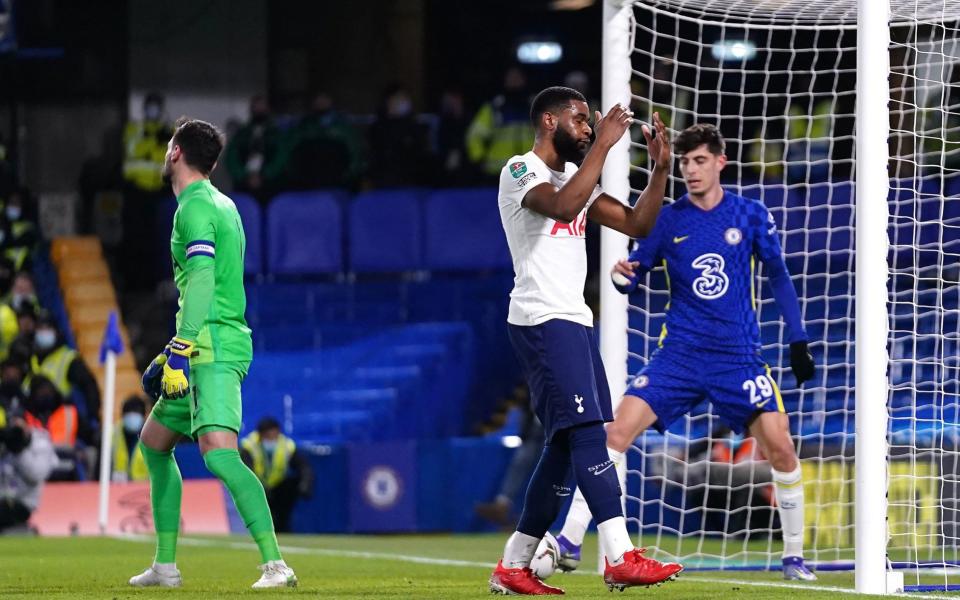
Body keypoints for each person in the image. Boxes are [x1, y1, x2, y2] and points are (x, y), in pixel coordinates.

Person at [551, 123, 817, 581]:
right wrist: (623, 275)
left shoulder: (749, 215)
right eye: (685, 162)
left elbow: (777, 276)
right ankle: (571, 539)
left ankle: (793, 557)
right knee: (615, 433)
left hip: (738, 358)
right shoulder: (669, 219)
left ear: (720, 162)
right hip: (679, 356)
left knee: (782, 448)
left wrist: (797, 339)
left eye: (699, 161)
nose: (691, 171)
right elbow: (634, 273)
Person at [490, 85, 681, 595]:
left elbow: (638, 222)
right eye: (579, 120)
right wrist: (604, 146)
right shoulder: (520, 170)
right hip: (541, 318)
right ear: (549, 122)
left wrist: (660, 169)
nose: (588, 129)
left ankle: (514, 565)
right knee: (592, 434)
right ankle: (620, 555)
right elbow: (558, 207)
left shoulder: (579, 178)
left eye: (590, 124)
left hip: (573, 320)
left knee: (560, 448)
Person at [132, 117, 296, 588]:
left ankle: (276, 565)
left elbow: (203, 281)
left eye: (168, 146)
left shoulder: (193, 209)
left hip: (212, 347)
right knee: (155, 444)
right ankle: (165, 567)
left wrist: (180, 350)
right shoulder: (224, 204)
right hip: (205, 342)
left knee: (220, 455)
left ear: (176, 153)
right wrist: (173, 351)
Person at [28, 312, 100, 442]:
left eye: (47, 329)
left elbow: (89, 386)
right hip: (33, 417)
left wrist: (92, 416)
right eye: (40, 329)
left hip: (58, 416)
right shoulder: (30, 357)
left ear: (56, 332)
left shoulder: (68, 358)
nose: (43, 333)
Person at [474, 406, 544, 529]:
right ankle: (504, 507)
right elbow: (528, 405)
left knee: (550, 472)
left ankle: (534, 519)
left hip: (557, 429)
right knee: (520, 463)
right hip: (534, 432)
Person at [240, 417, 314, 533]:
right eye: (268, 436)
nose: (272, 439)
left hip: (278, 488)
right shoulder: (249, 446)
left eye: (275, 435)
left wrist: (305, 484)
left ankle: (283, 529)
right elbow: (247, 470)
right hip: (257, 488)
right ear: (261, 435)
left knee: (290, 486)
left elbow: (304, 467)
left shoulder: (286, 445)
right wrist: (260, 486)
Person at [467, 66, 536, 179]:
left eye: (518, 77)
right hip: (498, 173)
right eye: (511, 77)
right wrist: (479, 160)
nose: (514, 81)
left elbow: (550, 135)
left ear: (524, 80)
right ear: (505, 81)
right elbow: (474, 136)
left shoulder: (536, 107)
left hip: (532, 172)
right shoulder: (494, 108)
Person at [287, 91, 365, 190]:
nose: (321, 103)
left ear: (331, 101)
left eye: (325, 99)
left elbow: (355, 152)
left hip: (337, 182)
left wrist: (349, 175)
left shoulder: (343, 126)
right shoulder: (304, 126)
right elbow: (292, 150)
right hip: (309, 182)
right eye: (318, 100)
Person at [223, 95, 288, 202]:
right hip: (244, 183)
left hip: (270, 184)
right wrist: (244, 176)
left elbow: (281, 157)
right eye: (256, 106)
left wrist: (264, 175)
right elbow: (231, 157)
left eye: (262, 106)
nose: (259, 110)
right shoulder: (242, 134)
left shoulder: (277, 134)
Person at [0, 417, 58, 532]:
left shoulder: (39, 444)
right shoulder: (5, 443)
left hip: (22, 502)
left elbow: (36, 474)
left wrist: (20, 451)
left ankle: (24, 531)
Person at [367, 84, 430, 187]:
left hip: (410, 186)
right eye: (400, 98)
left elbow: (420, 156)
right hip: (383, 185)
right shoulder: (377, 129)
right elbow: (374, 157)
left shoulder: (414, 128)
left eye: (405, 98)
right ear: (389, 101)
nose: (404, 102)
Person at [112, 396, 148, 482]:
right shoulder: (114, 434)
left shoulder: (153, 436)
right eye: (129, 413)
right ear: (123, 416)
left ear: (143, 416)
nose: (132, 418)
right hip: (116, 487)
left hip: (144, 489)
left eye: (136, 413)